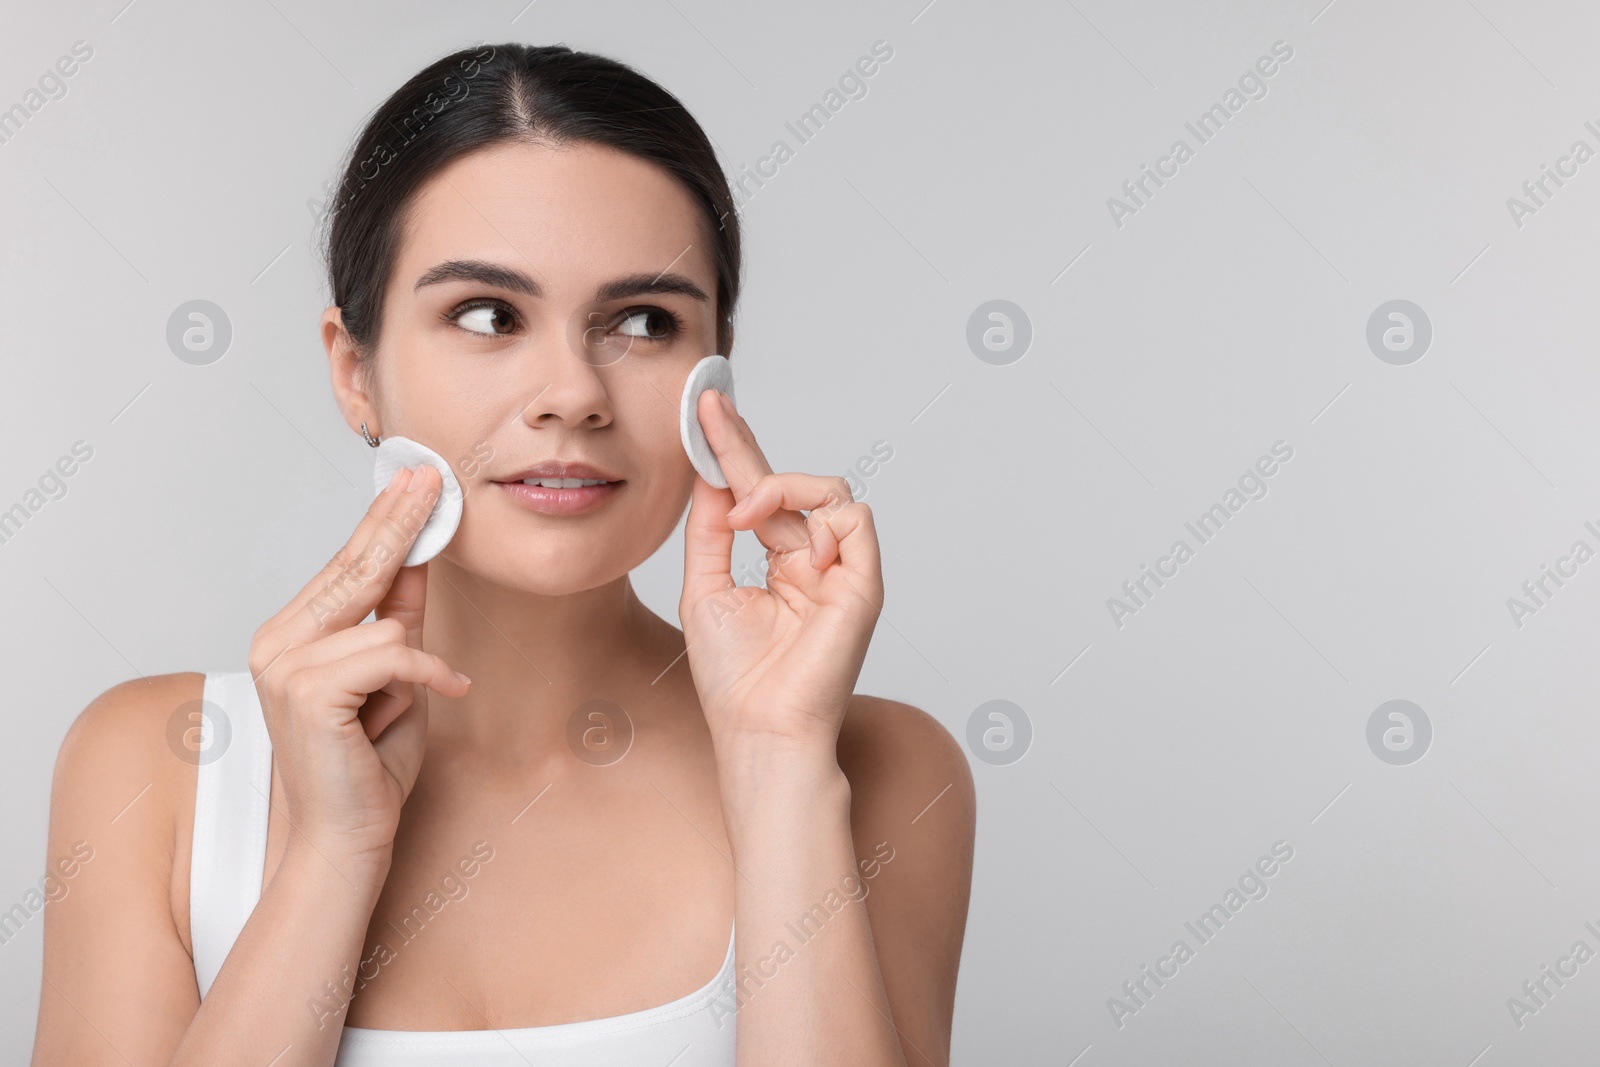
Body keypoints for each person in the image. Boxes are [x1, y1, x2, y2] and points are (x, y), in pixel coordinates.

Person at [31, 41, 975, 1066]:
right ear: (355, 371)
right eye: (488, 315)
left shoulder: (878, 769)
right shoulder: (155, 768)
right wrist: (330, 856)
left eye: (642, 321)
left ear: (718, 371)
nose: (571, 391)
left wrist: (780, 763)